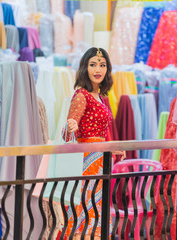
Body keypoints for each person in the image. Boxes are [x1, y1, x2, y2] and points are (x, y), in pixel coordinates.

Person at [65, 47, 124, 239]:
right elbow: (67, 132)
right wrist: (71, 125)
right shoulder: (81, 95)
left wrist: (112, 147)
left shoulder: (102, 98)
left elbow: (101, 133)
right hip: (86, 160)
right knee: (85, 206)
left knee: (96, 206)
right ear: (85, 68)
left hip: (100, 159)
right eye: (93, 65)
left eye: (102, 65)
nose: (98, 69)